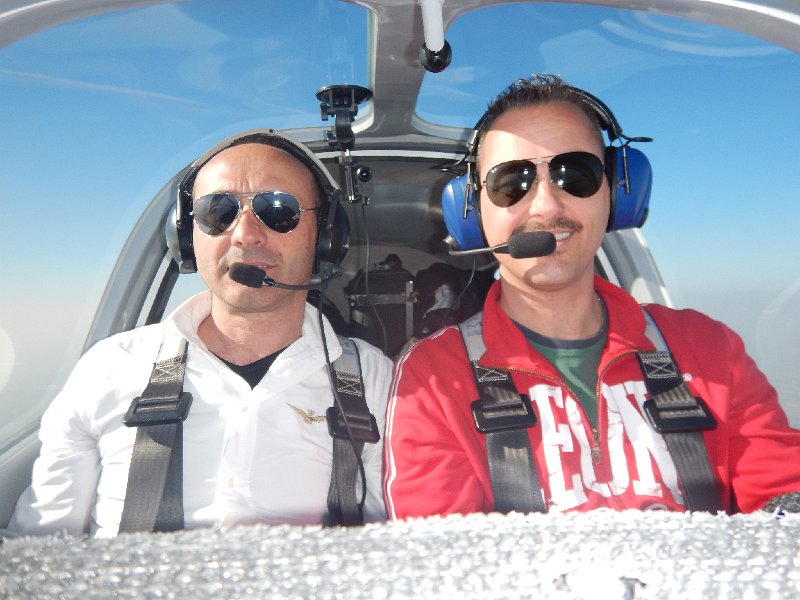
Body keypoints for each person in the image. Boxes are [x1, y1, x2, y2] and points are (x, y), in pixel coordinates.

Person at [383, 74, 800, 519]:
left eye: (575, 175)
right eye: (511, 182)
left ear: (616, 192)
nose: (546, 206)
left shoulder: (709, 349)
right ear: (472, 210)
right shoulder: (433, 381)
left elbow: (783, 493)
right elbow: (440, 553)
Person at [9, 130, 392, 537]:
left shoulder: (375, 381)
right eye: (218, 211)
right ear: (187, 236)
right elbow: (39, 546)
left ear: (326, 237)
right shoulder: (109, 369)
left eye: (278, 210)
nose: (245, 234)